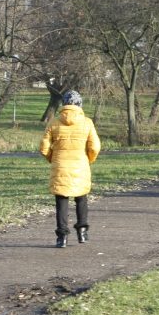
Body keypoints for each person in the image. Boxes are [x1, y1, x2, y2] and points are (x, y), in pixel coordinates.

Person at [39, 90, 101, 248]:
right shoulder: (87, 122)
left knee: (61, 200)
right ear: (80, 104)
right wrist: (89, 159)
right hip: (80, 164)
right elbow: (94, 146)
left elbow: (44, 147)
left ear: (64, 104)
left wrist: (53, 159)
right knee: (81, 198)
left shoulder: (54, 122)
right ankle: (82, 231)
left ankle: (62, 237)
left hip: (60, 164)